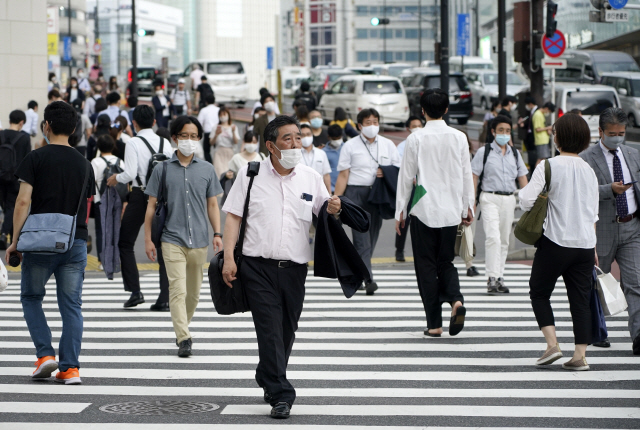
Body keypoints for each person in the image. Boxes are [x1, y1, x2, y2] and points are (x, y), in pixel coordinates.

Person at [221, 115, 341, 419]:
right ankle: (281, 394)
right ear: (271, 145)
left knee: (286, 329)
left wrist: (335, 209)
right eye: (288, 139)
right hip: (256, 267)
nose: (295, 144)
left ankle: (268, 374)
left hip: (294, 269)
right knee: (270, 329)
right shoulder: (250, 174)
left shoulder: (310, 178)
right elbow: (234, 216)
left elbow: (325, 214)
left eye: (298, 137)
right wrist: (230, 258)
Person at [6, 101, 94, 384]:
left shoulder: (35, 158)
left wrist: (15, 241)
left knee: (32, 297)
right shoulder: (84, 163)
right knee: (71, 305)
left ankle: (45, 355)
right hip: (74, 241)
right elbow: (87, 205)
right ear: (74, 129)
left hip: (38, 242)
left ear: (46, 126)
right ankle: (70, 368)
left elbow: (22, 201)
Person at [519, 113, 598, 370]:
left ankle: (552, 345)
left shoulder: (548, 165)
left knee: (539, 292)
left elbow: (526, 200)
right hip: (585, 244)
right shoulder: (590, 170)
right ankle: (580, 356)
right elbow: (592, 213)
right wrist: (594, 247)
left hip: (555, 240)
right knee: (581, 299)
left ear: (557, 137)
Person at [395, 88, 474, 337]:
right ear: (447, 109)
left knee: (426, 266)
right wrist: (467, 206)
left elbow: (406, 177)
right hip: (451, 209)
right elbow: (465, 174)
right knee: (446, 262)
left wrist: (401, 211)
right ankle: (456, 300)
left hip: (423, 208)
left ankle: (434, 324)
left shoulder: (416, 138)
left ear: (422, 111)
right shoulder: (459, 137)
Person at [144, 115, 223, 357]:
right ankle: (184, 337)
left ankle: (182, 327)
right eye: (184, 136)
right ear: (174, 138)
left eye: (193, 136)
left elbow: (212, 205)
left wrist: (217, 233)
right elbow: (151, 206)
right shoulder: (162, 169)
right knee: (176, 290)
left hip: (199, 239)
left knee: (194, 293)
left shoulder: (207, 169)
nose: (189, 140)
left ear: (199, 138)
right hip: (171, 238)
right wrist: (148, 239)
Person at [580, 107, 640, 355]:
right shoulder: (585, 158)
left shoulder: (633, 154)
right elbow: (583, 193)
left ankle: (638, 335)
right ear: (601, 132)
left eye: (622, 133)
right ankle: (597, 330)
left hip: (631, 226)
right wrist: (609, 190)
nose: (617, 137)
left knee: (635, 283)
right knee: (594, 284)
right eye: (613, 133)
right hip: (601, 227)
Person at [106, 105, 173, 310]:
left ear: (134, 124)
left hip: (140, 196)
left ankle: (135, 292)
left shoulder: (133, 142)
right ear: (154, 122)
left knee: (125, 242)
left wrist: (114, 178)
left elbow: (129, 173)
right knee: (163, 246)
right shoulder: (165, 142)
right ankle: (164, 297)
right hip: (162, 198)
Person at [334, 108, 401, 295]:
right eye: (368, 122)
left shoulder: (388, 145)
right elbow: (343, 175)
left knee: (371, 237)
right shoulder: (350, 146)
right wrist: (336, 199)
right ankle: (369, 278)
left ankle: (359, 273)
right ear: (359, 126)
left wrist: (385, 171)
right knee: (361, 239)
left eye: (375, 122)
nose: (372, 126)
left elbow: (397, 169)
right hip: (356, 193)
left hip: (378, 195)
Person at [472, 115, 529, 294]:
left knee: (504, 239)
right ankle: (491, 278)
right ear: (493, 132)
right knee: (493, 238)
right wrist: (471, 200)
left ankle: (500, 276)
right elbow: (474, 175)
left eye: (507, 131)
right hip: (489, 197)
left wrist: (529, 202)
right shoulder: (484, 152)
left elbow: (522, 179)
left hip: (509, 199)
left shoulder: (515, 153)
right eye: (500, 131)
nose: (504, 134)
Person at [0, 110, 32, 250]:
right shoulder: (24, 138)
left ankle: (10, 235)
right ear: (21, 123)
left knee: (4, 206)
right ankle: (4, 234)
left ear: (9, 120)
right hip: (15, 178)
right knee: (11, 207)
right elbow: (27, 161)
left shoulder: (0, 134)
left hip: (0, 176)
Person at [395, 116, 424, 262]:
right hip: (410, 186)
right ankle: (399, 250)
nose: (417, 128)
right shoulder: (402, 146)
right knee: (404, 219)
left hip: (423, 186)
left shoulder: (426, 143)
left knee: (421, 220)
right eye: (414, 126)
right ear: (408, 129)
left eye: (420, 125)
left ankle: (420, 250)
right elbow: (402, 168)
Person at [90, 135, 120, 265]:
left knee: (101, 231)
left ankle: (103, 261)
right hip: (116, 200)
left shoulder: (95, 162)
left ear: (99, 147)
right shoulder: (120, 161)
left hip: (100, 201)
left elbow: (91, 181)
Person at [300, 124, 331, 193]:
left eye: (308, 134)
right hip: (301, 191)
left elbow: (326, 175)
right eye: (303, 135)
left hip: (319, 191)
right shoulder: (295, 154)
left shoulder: (321, 153)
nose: (306, 137)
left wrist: (329, 193)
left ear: (312, 134)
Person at [210, 107, 240, 177]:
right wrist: (216, 134)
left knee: (230, 174)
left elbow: (236, 142)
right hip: (219, 152)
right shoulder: (216, 127)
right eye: (220, 115)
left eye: (224, 114)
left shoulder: (233, 127)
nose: (222, 116)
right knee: (219, 173)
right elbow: (211, 142)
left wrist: (233, 132)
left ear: (228, 115)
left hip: (230, 152)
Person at [197, 94, 220, 164]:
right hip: (217, 132)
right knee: (218, 150)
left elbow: (199, 122)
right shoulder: (218, 110)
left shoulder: (204, 110)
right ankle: (218, 164)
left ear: (206, 102)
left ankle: (210, 164)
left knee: (206, 151)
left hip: (208, 132)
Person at [519, 97, 538, 177]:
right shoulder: (531, 112)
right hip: (529, 136)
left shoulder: (536, 112)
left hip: (533, 137)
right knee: (530, 154)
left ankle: (533, 171)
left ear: (530, 104)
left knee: (533, 155)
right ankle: (531, 170)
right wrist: (523, 125)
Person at [323, 124, 344, 193]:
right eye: (334, 139)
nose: (337, 141)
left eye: (339, 138)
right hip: (330, 189)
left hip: (345, 188)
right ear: (329, 137)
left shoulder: (347, 149)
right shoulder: (323, 152)